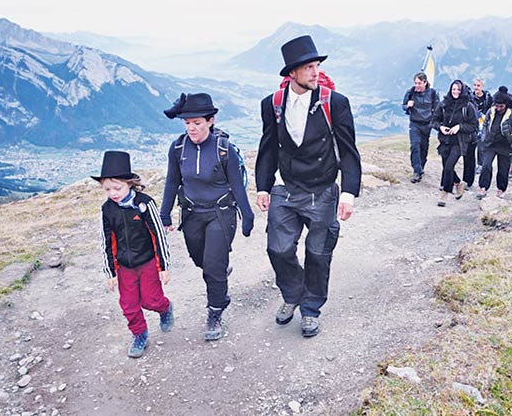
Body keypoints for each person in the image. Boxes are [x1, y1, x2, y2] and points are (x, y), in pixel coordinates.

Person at [255, 35, 362, 338]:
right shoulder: (272, 104)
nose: (316, 72)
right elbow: (267, 149)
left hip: (323, 190)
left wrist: (349, 193)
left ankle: (310, 309)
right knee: (277, 248)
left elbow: (349, 151)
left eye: (317, 66)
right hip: (285, 188)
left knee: (318, 253)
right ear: (292, 73)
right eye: (309, 67)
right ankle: (293, 293)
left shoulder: (335, 103)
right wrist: (263, 186)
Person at [160, 92, 254, 342]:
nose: (191, 128)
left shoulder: (224, 150)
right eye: (187, 123)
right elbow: (172, 182)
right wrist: (165, 213)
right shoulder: (178, 148)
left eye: (197, 123)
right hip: (191, 214)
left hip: (220, 214)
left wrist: (247, 214)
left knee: (212, 268)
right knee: (199, 259)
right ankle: (220, 270)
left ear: (210, 121)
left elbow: (237, 184)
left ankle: (215, 310)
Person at [93, 151, 173, 358]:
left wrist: (163, 266)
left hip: (147, 263)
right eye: (107, 189)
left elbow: (158, 235)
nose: (113, 193)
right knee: (128, 305)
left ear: (129, 183)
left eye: (117, 188)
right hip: (125, 267)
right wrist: (110, 271)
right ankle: (139, 334)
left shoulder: (144, 204)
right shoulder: (108, 209)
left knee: (151, 300)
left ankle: (164, 308)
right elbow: (106, 241)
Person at [431, 79, 478, 206]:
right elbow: (434, 121)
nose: (456, 92)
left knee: (448, 166)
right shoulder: (443, 104)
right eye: (453, 89)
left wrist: (459, 127)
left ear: (462, 90)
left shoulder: (468, 106)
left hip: (459, 141)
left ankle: (444, 194)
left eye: (458, 89)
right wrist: (440, 127)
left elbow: (474, 126)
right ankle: (458, 183)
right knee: (447, 167)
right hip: (445, 140)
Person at [477, 90, 512, 199]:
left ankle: (501, 189)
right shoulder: (491, 111)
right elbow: (485, 124)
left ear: (506, 105)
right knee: (486, 165)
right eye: (497, 106)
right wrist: (484, 137)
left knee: (503, 169)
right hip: (490, 143)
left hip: (505, 145)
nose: (498, 108)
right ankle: (483, 187)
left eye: (501, 106)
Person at [402, 72, 439, 183]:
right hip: (414, 123)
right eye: (415, 83)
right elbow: (403, 106)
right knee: (415, 146)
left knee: (423, 147)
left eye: (419, 83)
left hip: (427, 124)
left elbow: (437, 109)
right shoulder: (411, 92)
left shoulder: (432, 93)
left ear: (425, 82)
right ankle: (417, 171)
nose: (417, 85)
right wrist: (407, 105)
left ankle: (421, 166)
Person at [471, 78, 494, 173]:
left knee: (481, 145)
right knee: (471, 145)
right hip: (472, 124)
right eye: (475, 85)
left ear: (482, 87)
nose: (476, 87)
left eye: (478, 85)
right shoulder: (470, 97)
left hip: (484, 124)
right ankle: (472, 165)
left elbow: (491, 110)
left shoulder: (488, 98)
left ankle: (480, 164)